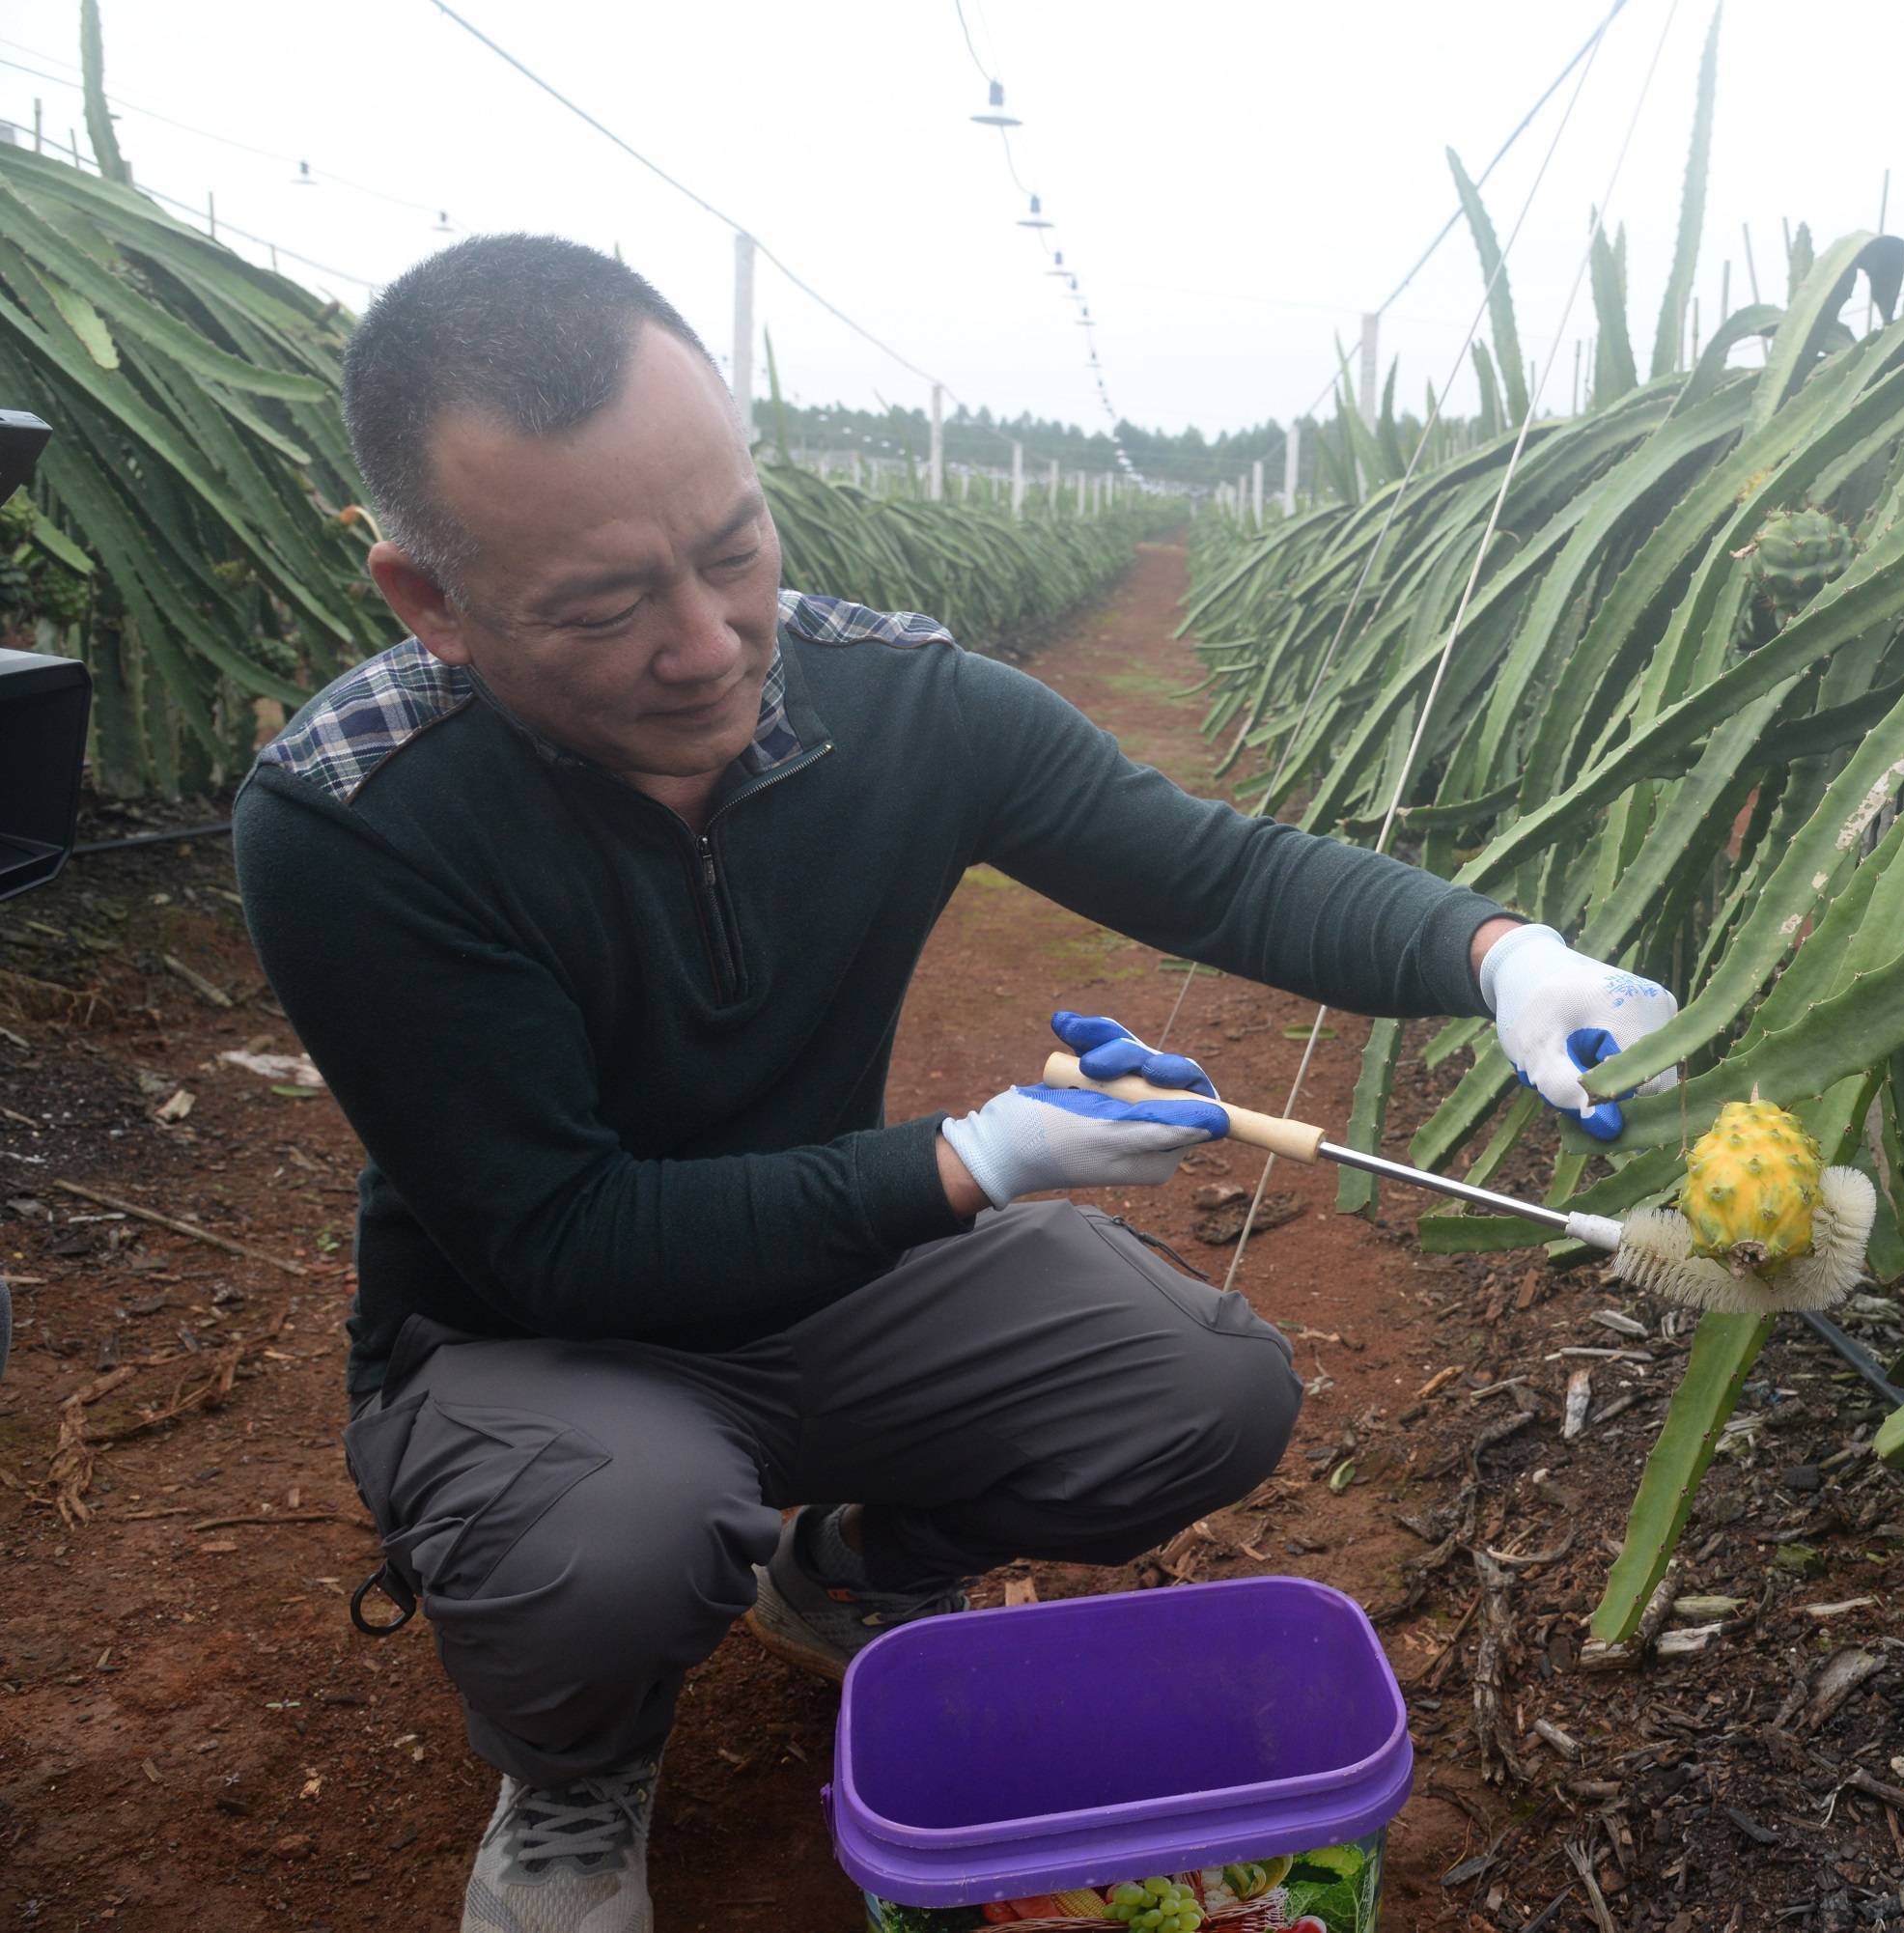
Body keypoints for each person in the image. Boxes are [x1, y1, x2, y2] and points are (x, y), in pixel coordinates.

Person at [231, 234, 1679, 1933]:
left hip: (823, 1279)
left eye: (732, 549)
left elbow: (1219, 869)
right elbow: (562, 1235)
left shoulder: (894, 705)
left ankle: (840, 1575)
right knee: (615, 1539)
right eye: (604, 603)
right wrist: (970, 1161)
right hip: (523, 1332)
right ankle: (573, 1764)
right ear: (432, 602)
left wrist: (1496, 953)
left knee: (1203, 1387)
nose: (707, 644)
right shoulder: (356, 816)